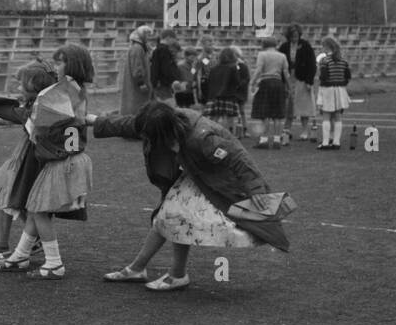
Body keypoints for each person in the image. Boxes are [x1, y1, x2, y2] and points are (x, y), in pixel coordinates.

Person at [91, 101, 292, 290]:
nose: (145, 138)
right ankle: (144, 269)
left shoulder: (201, 138)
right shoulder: (163, 122)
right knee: (172, 215)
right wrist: (91, 120)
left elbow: (237, 157)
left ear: (162, 132)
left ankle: (165, 273)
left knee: (173, 214)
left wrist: (255, 188)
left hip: (216, 180)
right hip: (197, 173)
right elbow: (129, 125)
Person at [0, 44, 94, 279]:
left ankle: (54, 263)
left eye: (59, 63)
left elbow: (35, 124)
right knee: (36, 209)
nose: (54, 67)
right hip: (65, 158)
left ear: (72, 65)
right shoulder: (72, 90)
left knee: (38, 210)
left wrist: (4, 108)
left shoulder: (61, 93)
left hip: (62, 160)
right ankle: (20, 255)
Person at [0, 61, 55, 267]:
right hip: (28, 156)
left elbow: (20, 116)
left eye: (21, 84)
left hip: (33, 159)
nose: (18, 88)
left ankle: (13, 248)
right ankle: (13, 246)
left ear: (34, 87)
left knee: (18, 198)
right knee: (7, 193)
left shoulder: (43, 107)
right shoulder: (42, 102)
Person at [278, 23, 317, 141]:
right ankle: (287, 130)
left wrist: (309, 81)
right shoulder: (284, 47)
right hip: (288, 78)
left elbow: (312, 64)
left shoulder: (306, 46)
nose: (294, 38)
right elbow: (280, 63)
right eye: (292, 36)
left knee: (304, 105)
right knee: (288, 105)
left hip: (303, 79)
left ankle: (305, 131)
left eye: (296, 35)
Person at [250, 37, 289, 149]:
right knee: (277, 113)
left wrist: (252, 82)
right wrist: (288, 86)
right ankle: (277, 140)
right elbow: (286, 72)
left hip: (265, 82)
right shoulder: (282, 56)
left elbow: (259, 69)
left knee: (265, 113)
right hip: (278, 83)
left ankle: (264, 140)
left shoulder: (262, 54)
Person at [201, 45, 248, 138]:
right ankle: (229, 136)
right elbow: (236, 82)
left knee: (214, 118)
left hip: (214, 96)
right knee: (229, 118)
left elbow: (208, 81)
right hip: (228, 95)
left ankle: (209, 135)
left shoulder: (214, 68)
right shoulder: (233, 67)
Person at [316, 36, 352, 150]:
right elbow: (348, 77)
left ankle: (326, 142)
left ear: (327, 47)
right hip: (340, 89)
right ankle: (336, 142)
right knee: (338, 117)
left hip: (328, 90)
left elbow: (323, 77)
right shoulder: (343, 60)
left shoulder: (325, 61)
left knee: (326, 117)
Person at [117, 25, 154, 117]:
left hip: (138, 84)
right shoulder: (137, 48)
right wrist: (141, 83)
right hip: (137, 86)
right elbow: (137, 67)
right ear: (142, 35)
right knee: (136, 106)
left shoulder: (141, 47)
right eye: (148, 35)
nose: (149, 38)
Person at [148, 32, 180, 104]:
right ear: (168, 37)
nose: (174, 41)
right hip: (163, 83)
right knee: (167, 105)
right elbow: (166, 68)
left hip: (157, 82)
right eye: (174, 39)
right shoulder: (164, 50)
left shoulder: (157, 49)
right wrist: (173, 79)